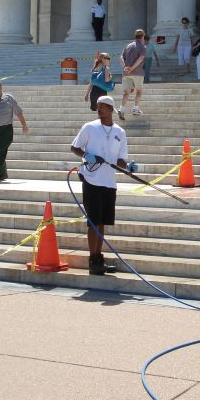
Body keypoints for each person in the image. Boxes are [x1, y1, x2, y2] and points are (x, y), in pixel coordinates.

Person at [70, 95, 136, 276]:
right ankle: (93, 260)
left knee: (102, 222)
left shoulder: (119, 132)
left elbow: (121, 159)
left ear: (111, 109)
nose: (99, 109)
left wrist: (128, 166)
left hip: (109, 182)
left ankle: (99, 258)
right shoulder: (89, 127)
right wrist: (87, 156)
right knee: (94, 222)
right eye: (98, 106)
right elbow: (74, 147)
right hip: (91, 180)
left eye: (103, 106)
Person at [119, 29, 147, 119]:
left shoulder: (128, 46)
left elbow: (121, 57)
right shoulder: (143, 47)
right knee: (139, 91)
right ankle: (135, 109)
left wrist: (125, 67)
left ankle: (121, 109)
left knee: (126, 93)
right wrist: (132, 68)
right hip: (137, 72)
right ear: (143, 36)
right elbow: (141, 59)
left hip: (126, 73)